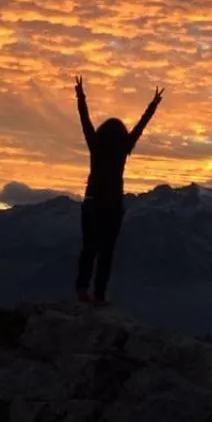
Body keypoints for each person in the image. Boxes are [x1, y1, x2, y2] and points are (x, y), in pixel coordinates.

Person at [74, 76, 163, 306]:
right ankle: (99, 295)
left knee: (89, 249)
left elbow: (85, 121)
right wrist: (153, 104)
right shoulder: (124, 147)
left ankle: (82, 290)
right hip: (112, 206)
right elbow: (141, 126)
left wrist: (81, 97)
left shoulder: (95, 144)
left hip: (92, 202)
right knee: (107, 253)